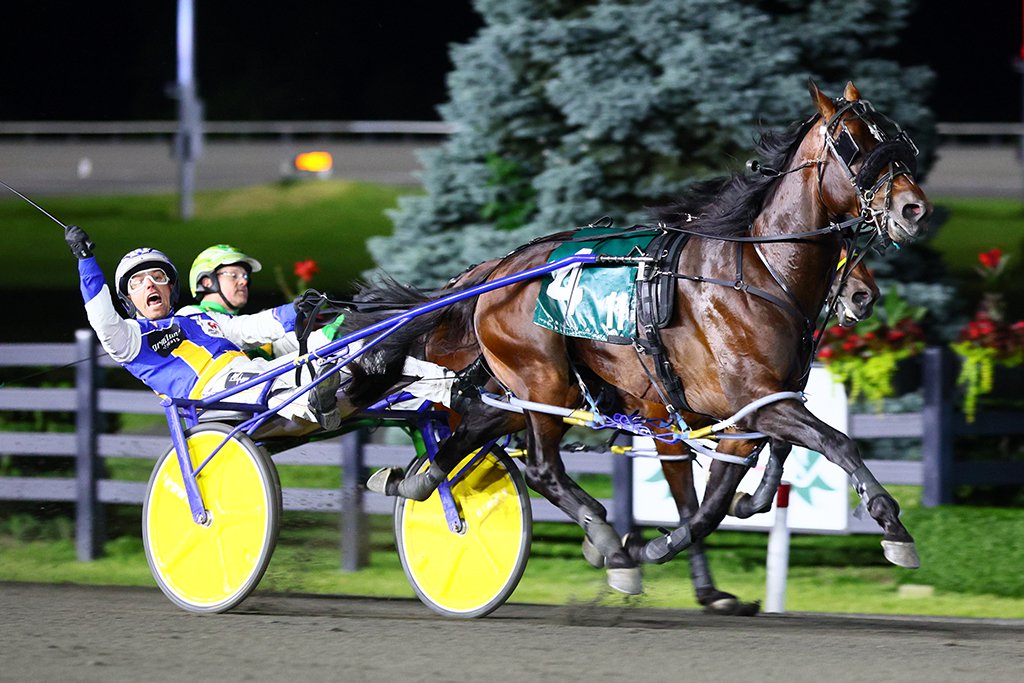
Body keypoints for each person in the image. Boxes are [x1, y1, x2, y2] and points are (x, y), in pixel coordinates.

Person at [65, 225, 345, 435]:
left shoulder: (195, 317)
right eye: (137, 282)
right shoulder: (128, 339)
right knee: (263, 381)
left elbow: (246, 328)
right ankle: (314, 403)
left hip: (248, 373)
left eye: (158, 277)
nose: (150, 284)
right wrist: (86, 260)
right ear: (127, 299)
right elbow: (102, 318)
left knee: (317, 361)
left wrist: (294, 310)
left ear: (171, 288)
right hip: (211, 396)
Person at [176, 243, 463, 409]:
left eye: (245, 276)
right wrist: (296, 318)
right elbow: (241, 332)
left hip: (282, 378)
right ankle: (451, 383)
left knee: (362, 309)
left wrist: (321, 323)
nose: (244, 281)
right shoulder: (192, 317)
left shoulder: (239, 322)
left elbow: (282, 347)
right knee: (357, 320)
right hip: (250, 392)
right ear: (205, 282)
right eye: (234, 274)